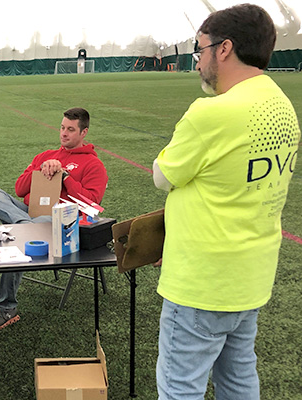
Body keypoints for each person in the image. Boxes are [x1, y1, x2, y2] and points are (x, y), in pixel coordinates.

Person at [152, 4, 300, 399]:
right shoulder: (282, 105)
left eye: (200, 50)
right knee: (239, 380)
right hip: (249, 278)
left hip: (203, 282)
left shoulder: (212, 112)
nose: (197, 61)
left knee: (179, 387)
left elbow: (162, 175)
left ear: (224, 49)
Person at [0, 107, 108, 330]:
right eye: (62, 127)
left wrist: (66, 176)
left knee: (20, 235)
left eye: (70, 129)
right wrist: (40, 168)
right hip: (28, 213)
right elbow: (20, 190)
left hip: (61, 222)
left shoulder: (93, 164)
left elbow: (91, 206)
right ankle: (23, 227)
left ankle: (6, 308)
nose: (64, 133)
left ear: (83, 132)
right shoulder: (46, 156)